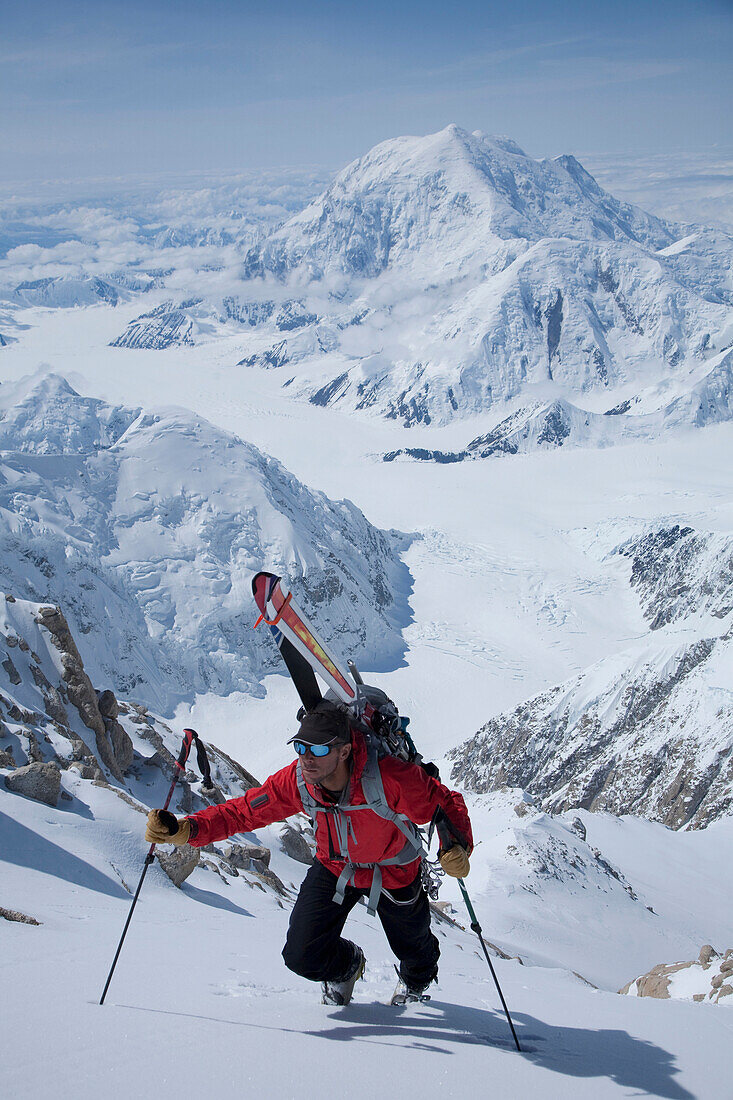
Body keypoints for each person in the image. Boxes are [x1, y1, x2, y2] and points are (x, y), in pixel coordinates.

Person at [145, 699, 473, 1005]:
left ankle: (415, 984)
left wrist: (456, 847)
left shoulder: (389, 778)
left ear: (344, 751)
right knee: (302, 954)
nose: (306, 757)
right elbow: (245, 812)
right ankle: (348, 966)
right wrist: (186, 829)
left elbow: (445, 803)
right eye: (301, 747)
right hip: (335, 866)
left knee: (415, 951)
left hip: (394, 870)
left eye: (317, 748)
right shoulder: (300, 780)